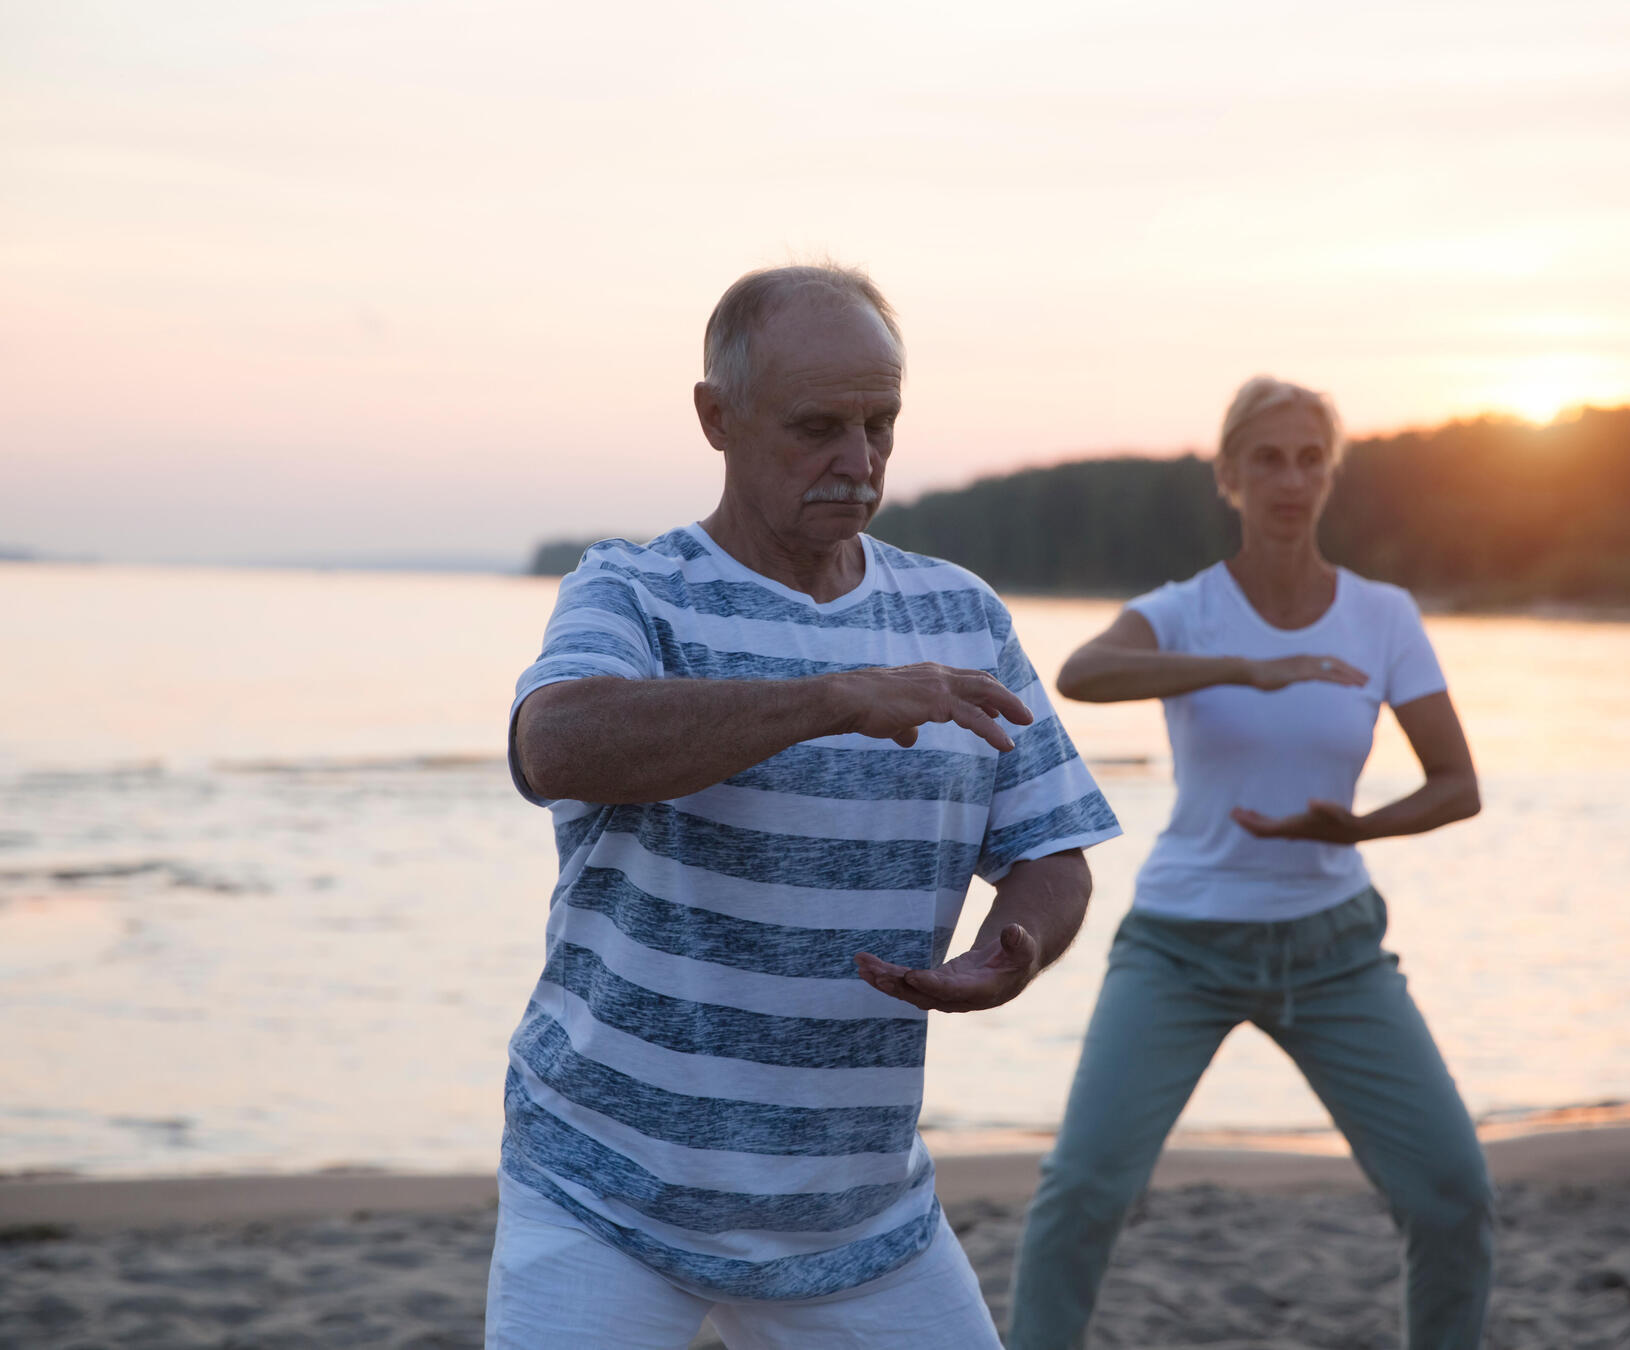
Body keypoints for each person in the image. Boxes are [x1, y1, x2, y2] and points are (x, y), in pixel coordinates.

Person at [486, 263, 1121, 1350]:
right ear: (715, 419)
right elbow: (556, 743)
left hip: (860, 1219)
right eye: (819, 425)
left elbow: (1052, 847)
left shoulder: (961, 615)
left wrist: (1011, 946)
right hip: (607, 1191)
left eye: (882, 423)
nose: (860, 461)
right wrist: (829, 697)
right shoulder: (635, 592)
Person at [1007, 377, 1493, 1350]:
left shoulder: (1382, 615)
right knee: (1085, 1191)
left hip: (1337, 952)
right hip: (1181, 948)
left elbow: (1456, 785)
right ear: (1228, 477)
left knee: (1453, 1200)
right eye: (1266, 458)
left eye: (1311, 458)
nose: (1290, 478)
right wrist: (1241, 665)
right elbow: (1082, 673)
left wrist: (1354, 831)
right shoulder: (1185, 610)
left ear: (1330, 475)